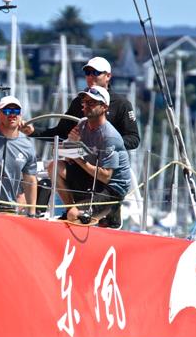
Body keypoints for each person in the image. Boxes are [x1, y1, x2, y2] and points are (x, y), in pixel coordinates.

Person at [21, 56, 138, 223]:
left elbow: (134, 139)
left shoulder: (121, 105)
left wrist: (102, 144)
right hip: (86, 164)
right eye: (87, 73)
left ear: (108, 76)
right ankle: (74, 211)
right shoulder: (79, 103)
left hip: (107, 169)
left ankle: (107, 211)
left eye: (95, 72)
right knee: (55, 166)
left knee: (103, 189)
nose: (90, 76)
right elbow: (60, 132)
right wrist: (33, 132)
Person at [64, 86, 132, 225]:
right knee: (55, 167)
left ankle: (109, 210)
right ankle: (72, 209)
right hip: (93, 175)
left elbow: (106, 176)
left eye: (92, 103)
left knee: (73, 215)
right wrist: (71, 144)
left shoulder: (109, 136)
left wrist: (76, 155)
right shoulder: (82, 124)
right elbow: (68, 157)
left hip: (112, 186)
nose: (86, 106)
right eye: (85, 102)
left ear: (104, 107)